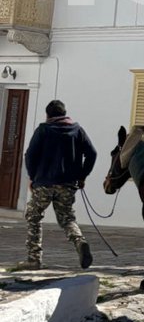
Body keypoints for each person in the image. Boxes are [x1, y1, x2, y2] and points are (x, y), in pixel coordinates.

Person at [12, 99, 97, 271]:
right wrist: (82, 176)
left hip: (44, 183)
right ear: (64, 114)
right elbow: (92, 154)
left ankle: (34, 259)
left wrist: (33, 178)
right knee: (67, 218)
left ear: (48, 115)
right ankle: (80, 241)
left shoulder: (43, 130)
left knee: (34, 216)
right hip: (67, 185)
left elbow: (30, 155)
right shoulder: (77, 130)